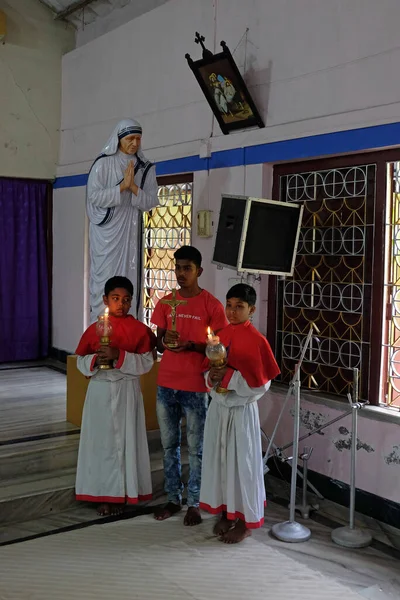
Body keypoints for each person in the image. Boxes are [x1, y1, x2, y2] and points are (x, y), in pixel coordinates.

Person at [151, 246, 228, 526]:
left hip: (196, 386)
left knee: (196, 447)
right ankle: (173, 498)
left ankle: (195, 502)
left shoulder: (212, 305)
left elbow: (219, 347)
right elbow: (158, 344)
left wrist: (192, 345)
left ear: (199, 271)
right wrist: (166, 341)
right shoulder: (166, 303)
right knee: (169, 445)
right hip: (166, 383)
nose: (181, 274)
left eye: (187, 268)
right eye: (178, 268)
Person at [199, 283, 280, 543]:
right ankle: (225, 511)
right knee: (219, 461)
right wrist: (211, 378)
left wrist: (231, 377)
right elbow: (206, 372)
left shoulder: (257, 340)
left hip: (241, 413)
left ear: (252, 309)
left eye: (240, 307)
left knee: (241, 466)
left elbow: (261, 384)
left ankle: (245, 520)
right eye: (229, 305)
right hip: (219, 410)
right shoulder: (218, 335)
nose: (232, 312)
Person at [75, 276, 157, 516]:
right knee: (101, 444)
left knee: (127, 442)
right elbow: (80, 361)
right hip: (100, 391)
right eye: (115, 298)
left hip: (127, 390)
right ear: (105, 300)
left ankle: (127, 490)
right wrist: (95, 360)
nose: (121, 304)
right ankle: (102, 493)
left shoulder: (139, 330)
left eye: (126, 300)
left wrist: (118, 355)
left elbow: (145, 363)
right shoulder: (94, 329)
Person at [86, 118, 158, 323]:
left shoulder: (145, 168)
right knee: (105, 278)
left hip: (130, 228)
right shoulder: (103, 164)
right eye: (130, 138)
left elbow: (152, 201)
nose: (134, 143)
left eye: (138, 138)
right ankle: (100, 330)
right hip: (106, 233)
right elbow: (94, 196)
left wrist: (133, 187)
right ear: (118, 139)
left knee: (129, 277)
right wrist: (121, 188)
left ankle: (127, 330)